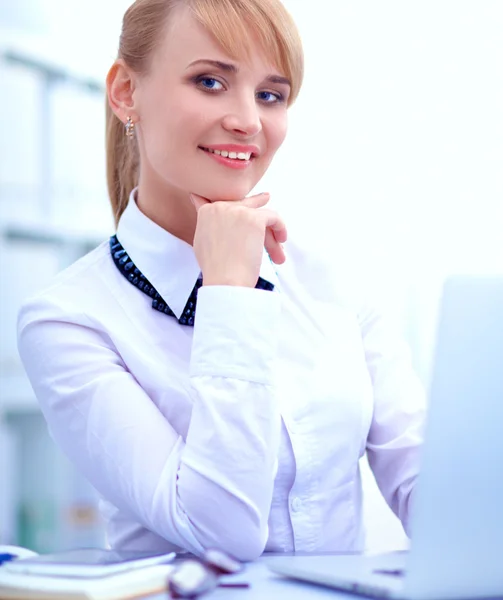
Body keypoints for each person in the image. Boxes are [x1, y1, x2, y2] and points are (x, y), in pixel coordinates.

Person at [17, 0, 425, 561]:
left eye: (270, 95)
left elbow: (429, 491)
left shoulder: (334, 281)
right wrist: (230, 294)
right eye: (210, 81)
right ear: (125, 92)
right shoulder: (66, 319)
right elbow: (221, 533)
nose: (248, 121)